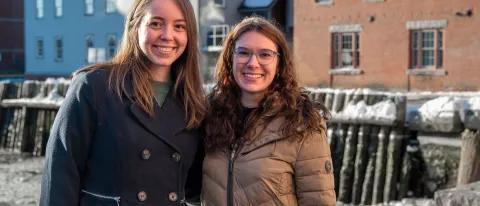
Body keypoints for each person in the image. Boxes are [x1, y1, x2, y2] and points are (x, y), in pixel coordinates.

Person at [40, 0, 205, 205]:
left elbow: (198, 188)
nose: (167, 35)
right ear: (135, 27)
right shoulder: (95, 86)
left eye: (179, 26)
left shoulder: (193, 103)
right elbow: (61, 173)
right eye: (155, 23)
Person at [201, 16, 336, 206]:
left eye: (265, 54)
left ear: (279, 64)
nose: (252, 63)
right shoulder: (211, 116)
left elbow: (318, 201)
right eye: (243, 53)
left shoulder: (302, 124)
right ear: (231, 59)